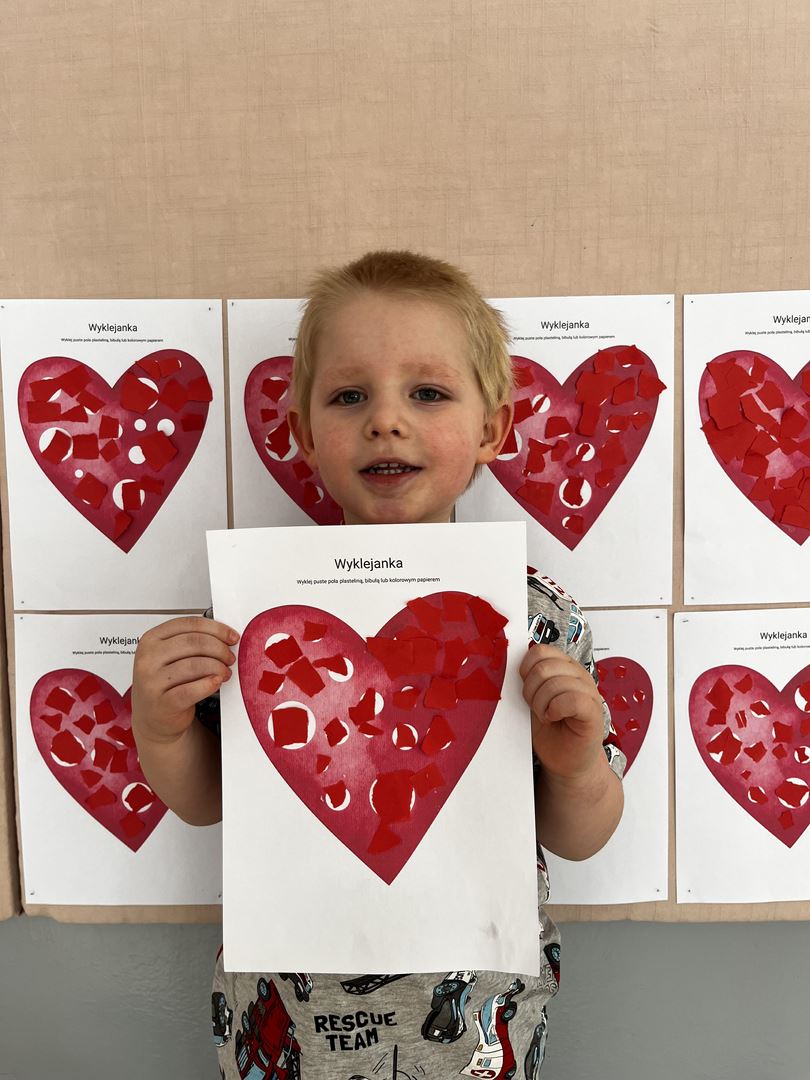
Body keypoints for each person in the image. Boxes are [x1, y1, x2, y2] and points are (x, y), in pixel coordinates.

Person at [131, 250, 625, 1079]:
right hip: (284, 1021)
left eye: (427, 393)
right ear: (302, 434)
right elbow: (212, 800)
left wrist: (577, 766)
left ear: (492, 429)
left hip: (480, 1026)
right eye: (349, 396)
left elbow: (581, 836)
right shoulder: (255, 618)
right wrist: (160, 727)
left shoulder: (536, 618)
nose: (386, 420)